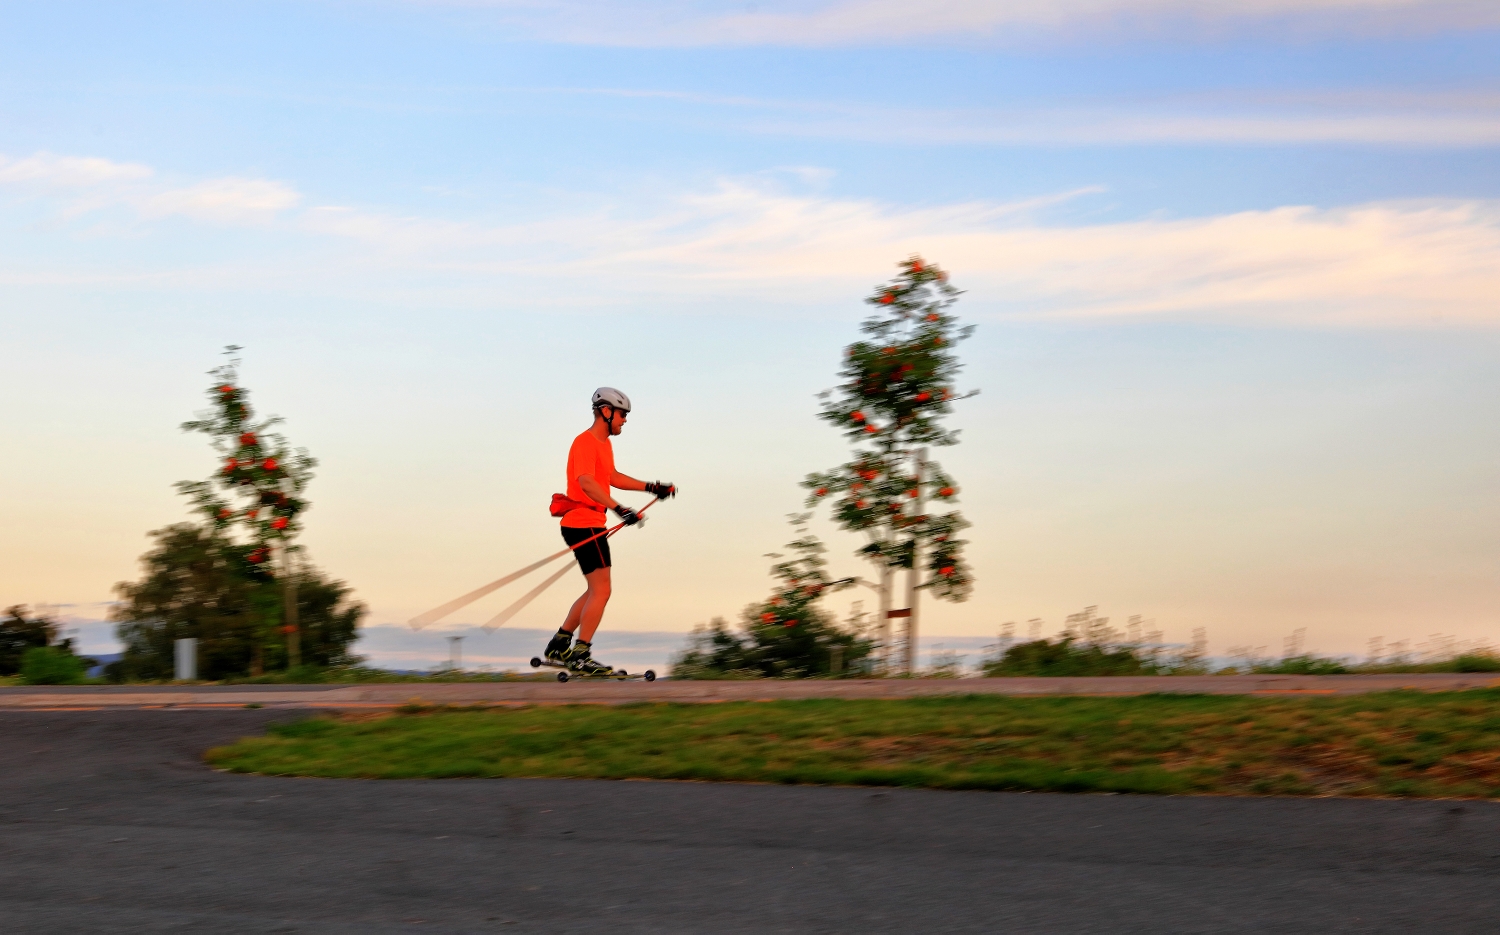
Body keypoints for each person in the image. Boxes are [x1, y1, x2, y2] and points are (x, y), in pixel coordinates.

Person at [543, 387, 675, 674]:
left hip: (590, 522)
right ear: (606, 412)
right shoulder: (584, 442)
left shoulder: (603, 445)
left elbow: (611, 477)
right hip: (582, 522)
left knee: (595, 589)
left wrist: (652, 487)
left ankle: (559, 643)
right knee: (603, 590)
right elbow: (587, 482)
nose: (624, 421)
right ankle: (581, 654)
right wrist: (619, 508)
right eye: (622, 415)